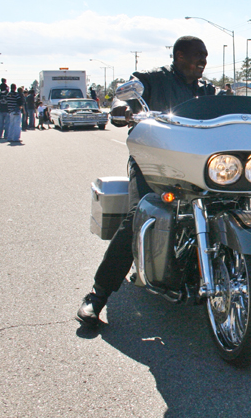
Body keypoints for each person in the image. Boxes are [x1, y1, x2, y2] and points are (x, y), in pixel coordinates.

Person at [77, 36, 215, 327]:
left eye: (205, 56)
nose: (202, 62)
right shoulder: (150, 80)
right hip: (153, 162)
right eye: (197, 56)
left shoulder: (207, 89)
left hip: (198, 164)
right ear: (178, 56)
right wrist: (121, 109)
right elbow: (122, 98)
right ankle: (97, 293)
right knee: (140, 214)